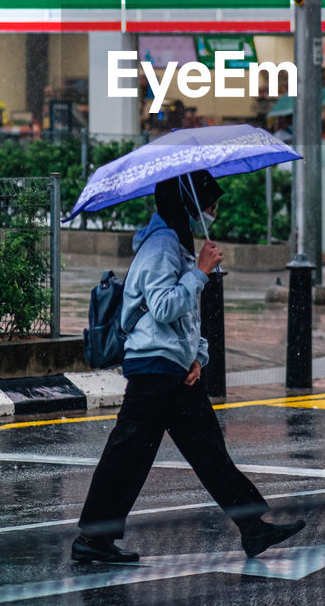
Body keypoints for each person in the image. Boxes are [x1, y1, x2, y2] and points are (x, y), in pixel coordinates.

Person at [71, 169, 306, 565]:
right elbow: (163, 307)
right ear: (185, 203)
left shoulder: (176, 243)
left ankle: (253, 527)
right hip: (153, 367)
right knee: (129, 453)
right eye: (208, 203)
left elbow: (185, 320)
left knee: (207, 450)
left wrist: (198, 355)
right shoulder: (162, 245)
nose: (212, 211)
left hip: (174, 369)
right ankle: (93, 539)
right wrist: (199, 272)